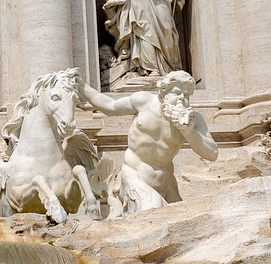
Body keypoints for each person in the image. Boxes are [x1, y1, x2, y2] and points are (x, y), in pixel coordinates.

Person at [76, 71, 217, 215]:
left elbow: (212, 154)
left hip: (166, 183)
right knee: (153, 212)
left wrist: (189, 133)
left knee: (180, 220)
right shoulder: (143, 101)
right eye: (177, 93)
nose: (182, 98)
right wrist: (81, 86)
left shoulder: (193, 119)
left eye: (186, 95)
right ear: (163, 93)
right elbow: (110, 106)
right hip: (135, 176)